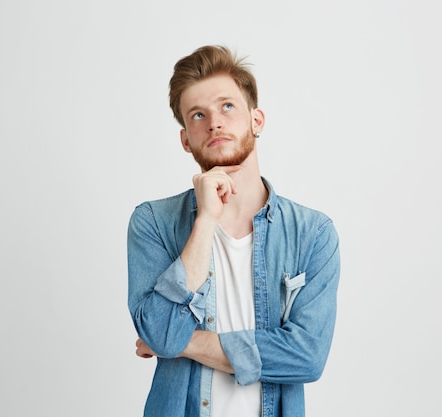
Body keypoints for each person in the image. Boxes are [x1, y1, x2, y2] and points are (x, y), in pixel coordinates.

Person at [127, 45, 341, 417]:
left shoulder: (313, 234)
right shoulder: (153, 223)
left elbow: (307, 359)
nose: (214, 122)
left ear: (256, 120)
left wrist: (183, 342)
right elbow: (158, 331)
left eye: (227, 106)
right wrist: (205, 220)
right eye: (198, 114)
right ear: (185, 140)